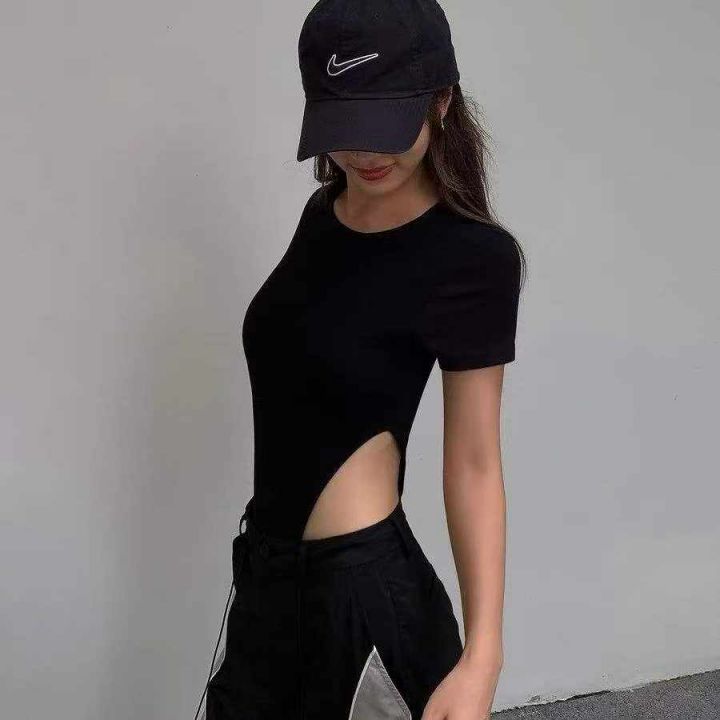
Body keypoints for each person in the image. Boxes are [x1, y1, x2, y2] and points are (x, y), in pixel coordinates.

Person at [195, 0, 527, 718]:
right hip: (265, 584)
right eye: (345, 128)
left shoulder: (472, 258)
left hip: (364, 605)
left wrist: (483, 657)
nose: (364, 154)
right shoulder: (323, 214)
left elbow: (475, 463)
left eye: (386, 127)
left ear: (442, 99)